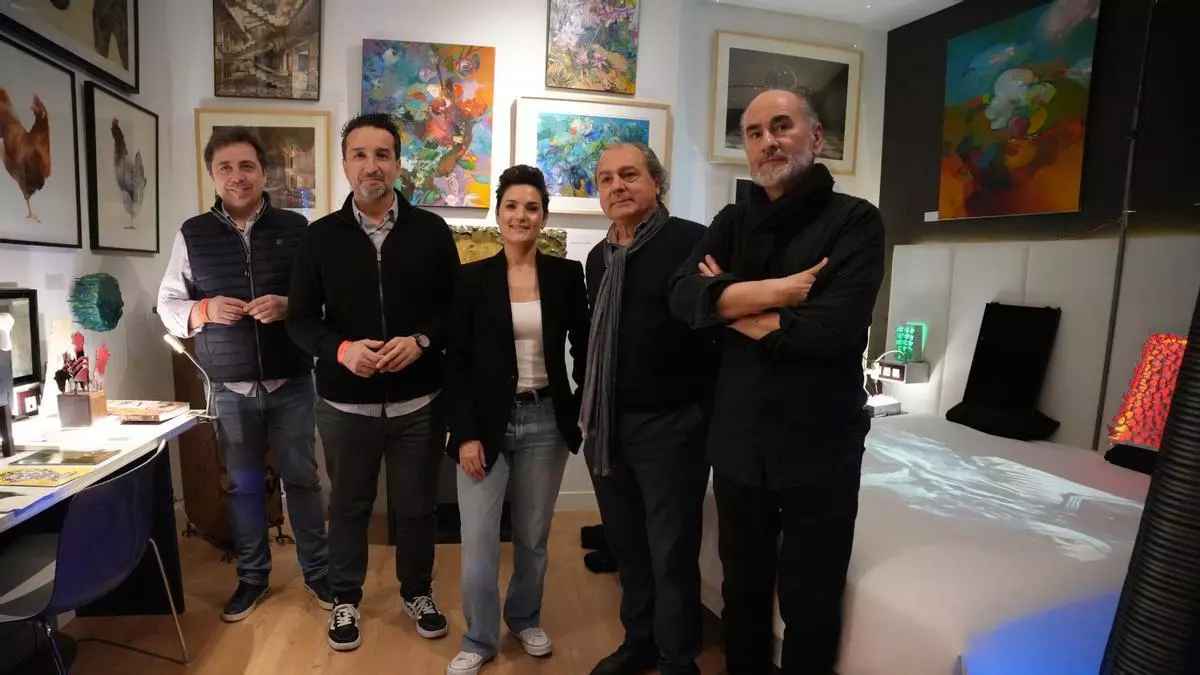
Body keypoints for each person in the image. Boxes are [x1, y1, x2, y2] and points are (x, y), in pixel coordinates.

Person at [668, 89, 885, 675]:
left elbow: (831, 331)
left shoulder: (856, 221)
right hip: (738, 440)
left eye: (782, 126)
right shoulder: (732, 220)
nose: (768, 141)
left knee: (810, 602)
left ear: (815, 137)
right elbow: (683, 296)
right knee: (741, 592)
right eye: (755, 132)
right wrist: (779, 294)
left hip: (820, 447)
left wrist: (726, 304)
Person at [286, 112, 460, 652]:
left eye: (382, 154)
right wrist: (342, 350)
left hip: (419, 402)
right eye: (359, 155)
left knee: (417, 507)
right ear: (344, 165)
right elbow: (300, 320)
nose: (371, 166)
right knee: (348, 508)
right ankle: (345, 597)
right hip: (345, 406)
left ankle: (417, 592)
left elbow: (456, 309)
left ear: (398, 163)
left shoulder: (431, 231)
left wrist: (422, 341)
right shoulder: (319, 237)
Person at [157, 127, 330, 622]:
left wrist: (290, 306)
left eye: (247, 166)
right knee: (243, 486)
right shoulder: (191, 234)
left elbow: (326, 301)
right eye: (225, 168)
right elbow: (167, 305)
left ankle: (318, 571)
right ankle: (253, 577)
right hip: (228, 387)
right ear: (212, 176)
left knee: (303, 480)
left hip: (291, 381)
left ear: (264, 172)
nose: (237, 176)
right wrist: (205, 309)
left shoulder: (298, 229)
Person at [443, 165, 590, 675]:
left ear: (543, 216)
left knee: (532, 535)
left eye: (532, 207)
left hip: (546, 420)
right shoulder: (471, 279)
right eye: (512, 206)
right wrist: (464, 434)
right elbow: (455, 363)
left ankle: (524, 617)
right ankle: (479, 639)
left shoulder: (566, 276)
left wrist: (584, 404)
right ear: (498, 213)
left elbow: (584, 345)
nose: (521, 215)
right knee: (479, 540)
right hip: (485, 425)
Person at [580, 142, 718, 675]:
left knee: (671, 551)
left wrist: (702, 413)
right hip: (607, 427)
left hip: (672, 426)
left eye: (629, 174)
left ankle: (678, 658)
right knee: (628, 546)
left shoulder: (692, 241)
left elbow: (716, 327)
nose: (617, 186)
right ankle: (638, 642)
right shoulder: (598, 258)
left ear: (656, 182)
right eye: (606, 178)